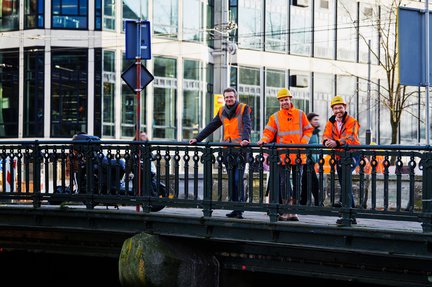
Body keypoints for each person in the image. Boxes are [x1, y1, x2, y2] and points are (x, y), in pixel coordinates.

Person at [189, 87, 251, 219]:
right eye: (227, 97)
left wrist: (245, 139)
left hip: (240, 150)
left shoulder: (243, 108)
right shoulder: (222, 110)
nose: (229, 99)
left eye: (231, 97)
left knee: (237, 180)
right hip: (227, 151)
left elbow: (247, 125)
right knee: (231, 181)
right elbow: (212, 125)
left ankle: (240, 209)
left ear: (235, 97)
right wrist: (197, 138)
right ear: (224, 98)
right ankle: (235, 209)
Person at [257, 88, 313, 221]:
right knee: (284, 183)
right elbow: (268, 132)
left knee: (297, 183)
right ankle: (287, 210)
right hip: (283, 155)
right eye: (282, 100)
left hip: (299, 155)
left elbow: (308, 129)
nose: (284, 102)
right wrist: (263, 140)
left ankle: (293, 211)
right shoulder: (275, 117)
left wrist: (302, 143)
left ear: (290, 99)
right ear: (279, 102)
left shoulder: (300, 114)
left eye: (286, 99)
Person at [323, 95, 361, 222]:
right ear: (332, 110)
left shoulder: (352, 121)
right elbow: (325, 135)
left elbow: (350, 137)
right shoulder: (331, 122)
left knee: (346, 182)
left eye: (340, 107)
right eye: (335, 108)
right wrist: (326, 142)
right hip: (340, 155)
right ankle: (350, 213)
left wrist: (336, 143)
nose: (338, 110)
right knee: (344, 183)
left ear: (345, 107)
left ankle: (349, 214)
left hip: (352, 153)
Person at [300, 112, 321, 206]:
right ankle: (318, 202)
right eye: (315, 119)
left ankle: (303, 202)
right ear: (309, 121)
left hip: (312, 160)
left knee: (306, 181)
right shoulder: (308, 131)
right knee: (313, 182)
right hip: (307, 159)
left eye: (318, 119)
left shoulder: (316, 132)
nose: (317, 121)